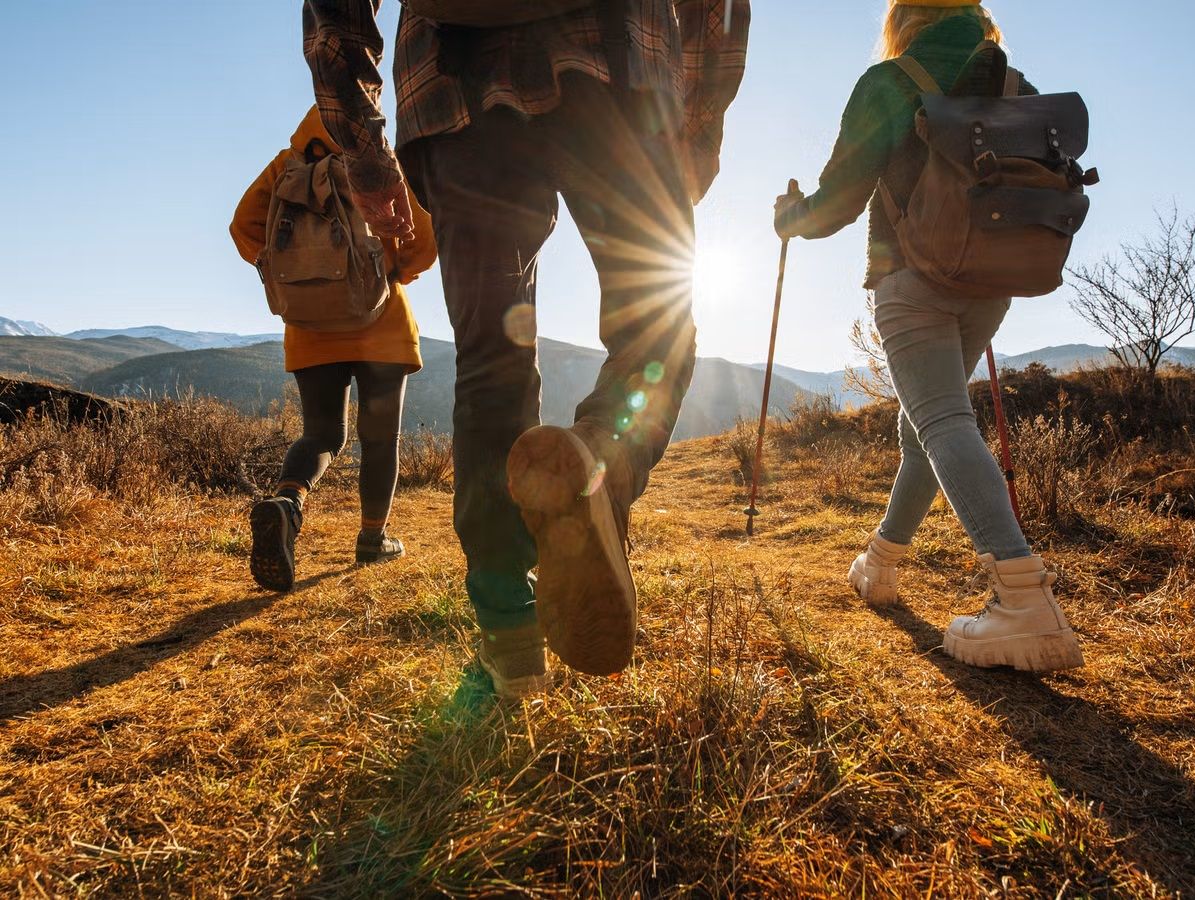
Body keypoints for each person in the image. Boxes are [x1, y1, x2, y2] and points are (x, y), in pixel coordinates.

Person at [302, 0, 750, 697]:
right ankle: (605, 458)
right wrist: (700, 121)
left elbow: (336, 11)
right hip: (620, 67)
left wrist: (362, 143)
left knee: (492, 356)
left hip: (452, 87)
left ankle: (507, 622)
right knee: (657, 321)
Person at [773, 0, 1084, 672]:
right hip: (992, 281)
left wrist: (787, 219)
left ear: (906, 16)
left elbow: (836, 203)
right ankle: (879, 564)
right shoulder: (1014, 84)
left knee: (942, 421)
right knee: (923, 428)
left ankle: (1023, 599)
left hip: (912, 277)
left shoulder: (890, 81)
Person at [230, 106, 438, 592]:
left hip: (309, 323)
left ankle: (288, 504)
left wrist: (290, 271)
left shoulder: (286, 165)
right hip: (382, 323)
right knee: (380, 438)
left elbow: (243, 226)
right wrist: (392, 274)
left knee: (322, 434)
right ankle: (372, 538)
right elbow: (425, 239)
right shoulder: (382, 163)